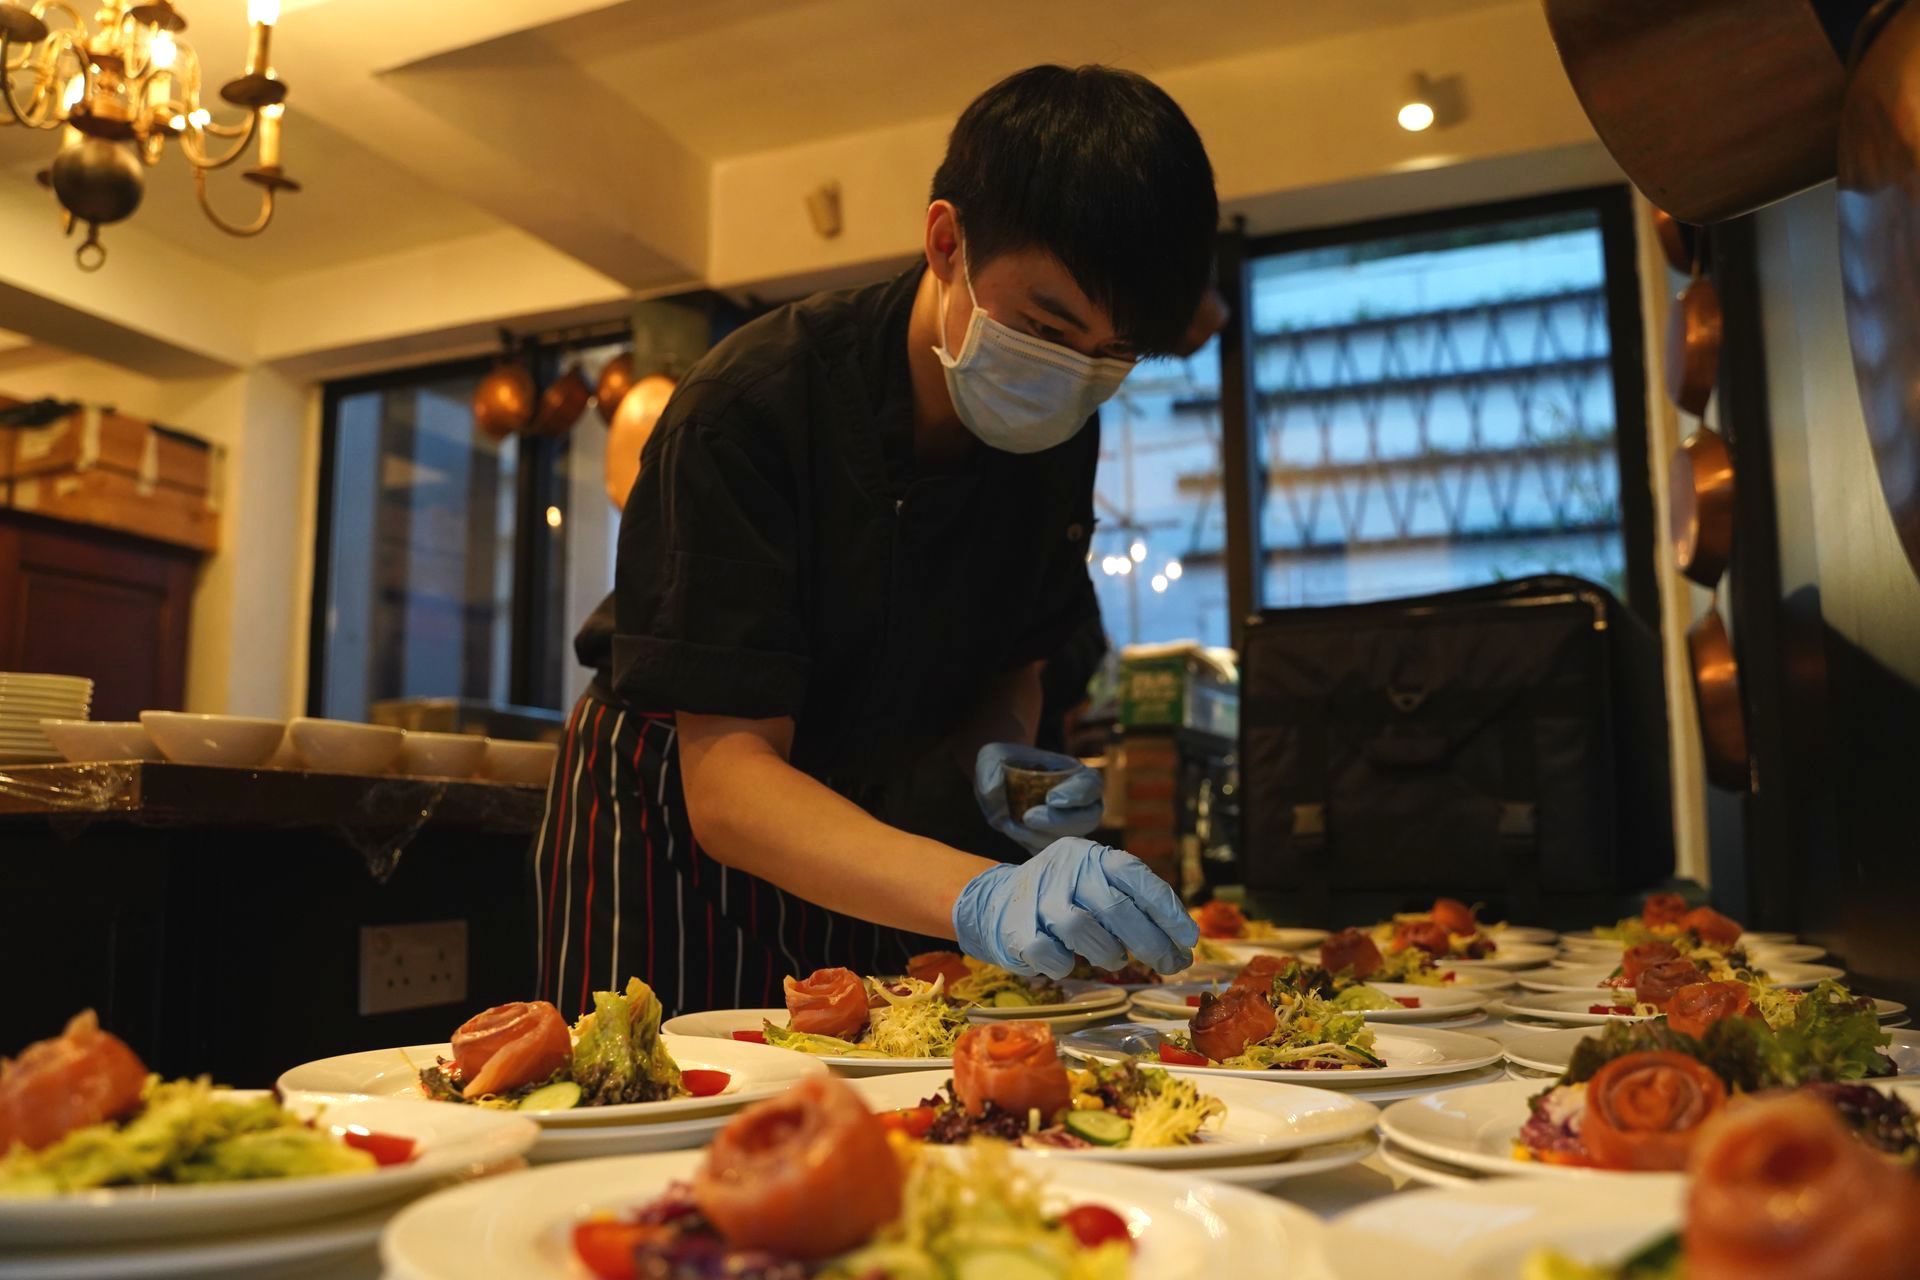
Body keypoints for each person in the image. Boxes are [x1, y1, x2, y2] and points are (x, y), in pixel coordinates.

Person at [532, 64, 1220, 1019]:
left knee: (879, 1106)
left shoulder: (1060, 427)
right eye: (1048, 326)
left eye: (1113, 356)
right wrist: (979, 895)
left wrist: (1004, 773)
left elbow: (1016, 660)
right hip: (683, 826)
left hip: (876, 832)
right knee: (669, 1113)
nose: (1075, 374)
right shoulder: (749, 406)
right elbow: (729, 781)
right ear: (947, 243)